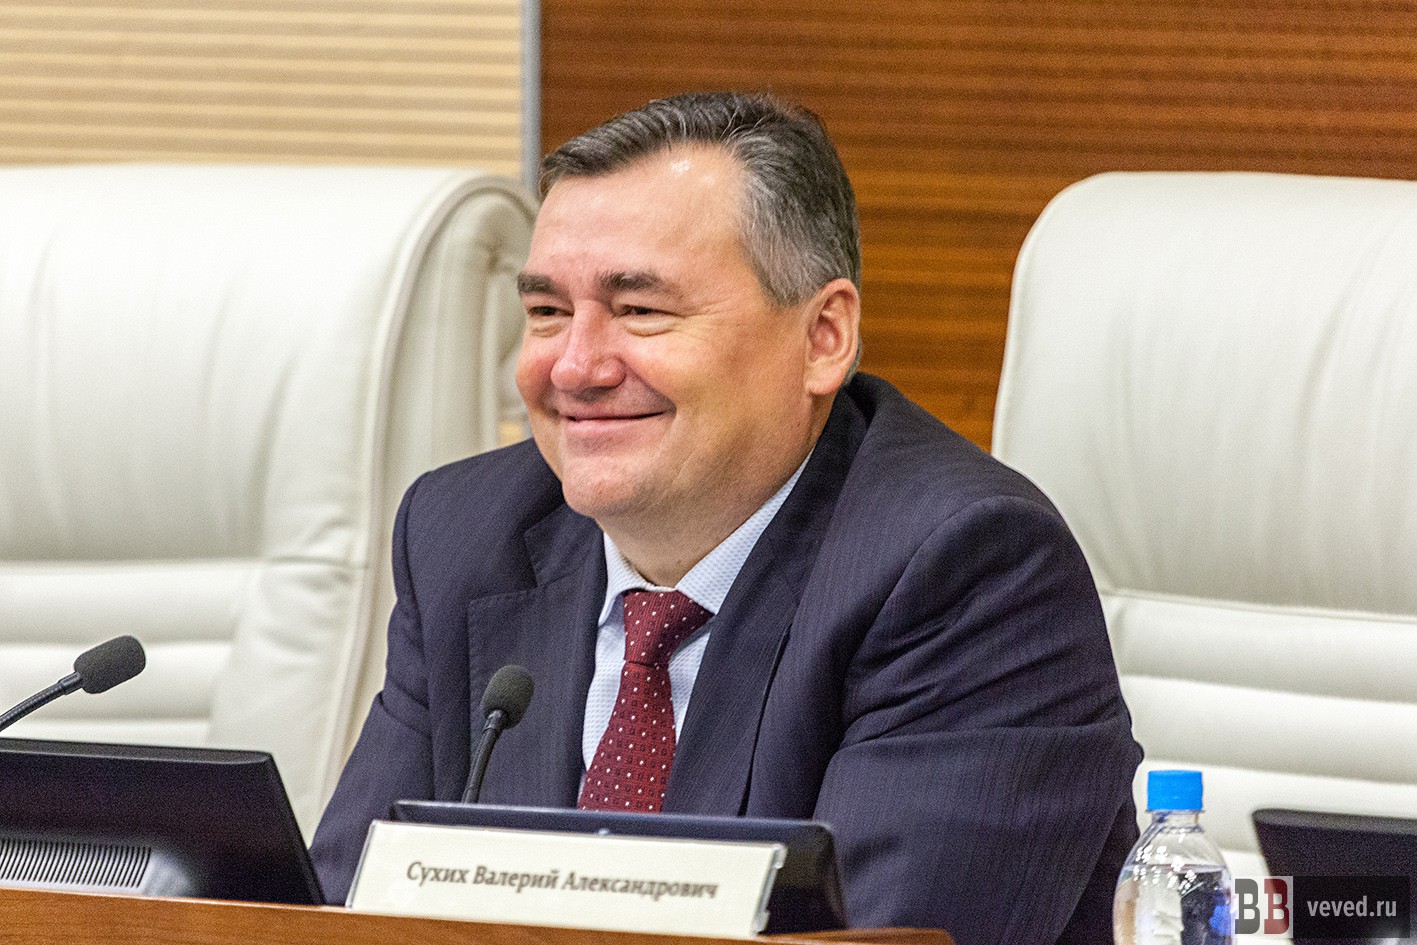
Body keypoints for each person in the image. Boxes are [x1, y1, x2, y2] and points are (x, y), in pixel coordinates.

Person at [310, 91, 1141, 945]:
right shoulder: (462, 533)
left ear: (823, 337)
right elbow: (333, 916)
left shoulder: (968, 569)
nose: (575, 367)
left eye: (640, 311)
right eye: (548, 312)